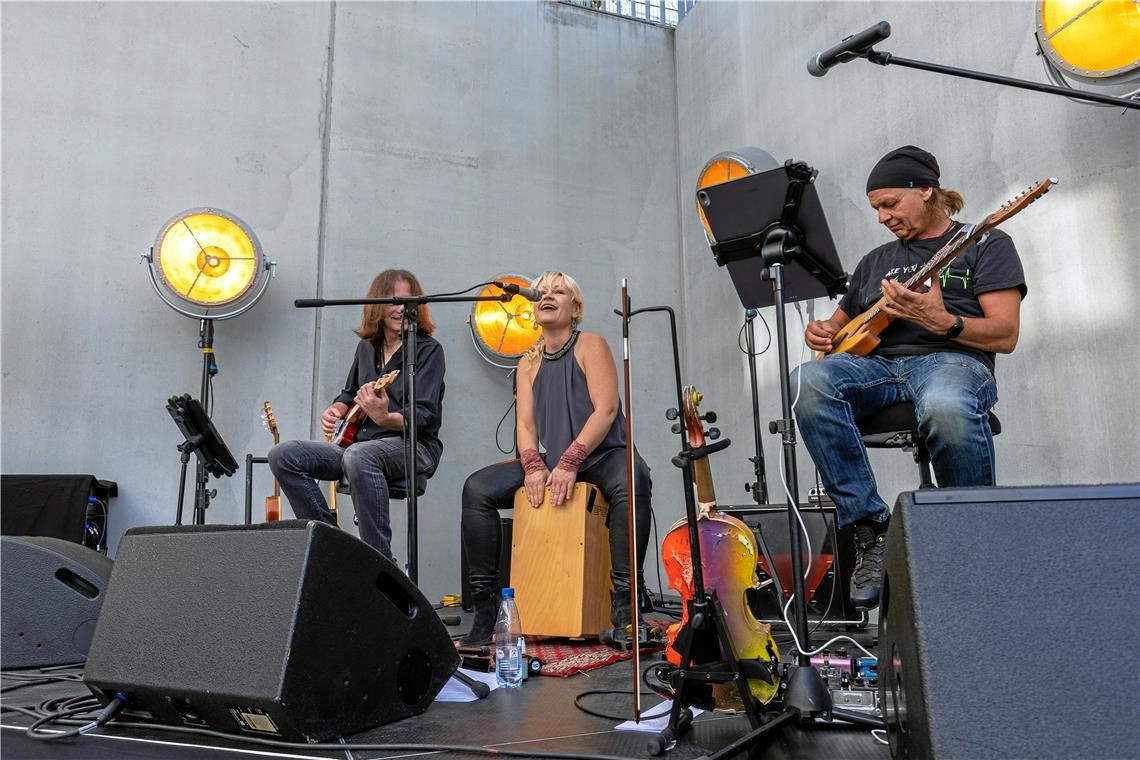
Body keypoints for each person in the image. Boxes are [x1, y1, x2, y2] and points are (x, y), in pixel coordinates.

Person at [792, 146, 1026, 609]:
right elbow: (839, 326)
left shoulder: (984, 244)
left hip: (952, 359)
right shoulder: (875, 261)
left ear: (926, 191)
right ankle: (869, 530)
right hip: (877, 367)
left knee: (945, 405)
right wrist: (823, 331)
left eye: (889, 203)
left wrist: (945, 323)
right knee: (808, 382)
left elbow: (1005, 334)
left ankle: (970, 540)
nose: (881, 217)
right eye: (875, 207)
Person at [459, 271, 653, 646]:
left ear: (575, 308)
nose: (546, 296)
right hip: (553, 457)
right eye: (541, 292)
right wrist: (533, 465)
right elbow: (526, 426)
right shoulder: (527, 363)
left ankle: (628, 612)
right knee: (477, 488)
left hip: (601, 452)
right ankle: (485, 616)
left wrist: (570, 461)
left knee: (634, 476)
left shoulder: (591, 345)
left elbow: (606, 411)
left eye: (558, 291)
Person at [269, 269, 445, 561]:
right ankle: (332, 542)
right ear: (377, 305)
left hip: (413, 445)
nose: (401, 308)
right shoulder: (366, 348)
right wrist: (338, 408)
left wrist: (385, 417)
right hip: (357, 445)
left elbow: (424, 416)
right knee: (283, 455)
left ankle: (378, 560)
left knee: (359, 456)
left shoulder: (428, 351)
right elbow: (350, 393)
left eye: (407, 301)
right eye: (393, 300)